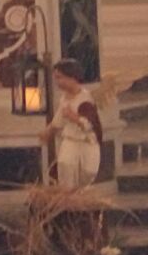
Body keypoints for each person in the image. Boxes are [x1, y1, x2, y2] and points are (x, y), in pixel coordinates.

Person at [39, 59, 103, 188]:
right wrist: (49, 130)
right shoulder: (64, 97)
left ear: (72, 77)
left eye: (60, 78)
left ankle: (80, 193)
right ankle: (67, 196)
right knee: (66, 165)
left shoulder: (86, 99)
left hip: (86, 141)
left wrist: (74, 117)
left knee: (88, 172)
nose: (57, 82)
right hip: (71, 140)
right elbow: (59, 118)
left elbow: (89, 123)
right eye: (56, 78)